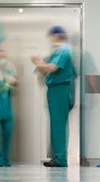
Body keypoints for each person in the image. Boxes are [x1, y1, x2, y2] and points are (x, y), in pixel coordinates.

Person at [32, 26, 76, 168]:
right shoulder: (62, 52)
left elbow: (52, 68)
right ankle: (58, 157)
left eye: (51, 37)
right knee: (57, 125)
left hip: (59, 91)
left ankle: (61, 159)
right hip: (58, 90)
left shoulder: (63, 50)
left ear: (57, 36)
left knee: (58, 125)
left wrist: (38, 63)